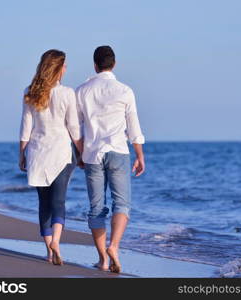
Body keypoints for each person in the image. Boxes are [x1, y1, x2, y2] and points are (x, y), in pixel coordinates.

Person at [75, 45, 145, 273]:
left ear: (95, 65)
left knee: (96, 208)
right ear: (114, 64)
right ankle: (114, 246)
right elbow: (133, 125)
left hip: (92, 153)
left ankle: (103, 259)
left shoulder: (82, 90)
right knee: (122, 203)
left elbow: (76, 127)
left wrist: (79, 153)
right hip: (118, 151)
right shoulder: (125, 90)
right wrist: (140, 155)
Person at [19, 49, 83, 266]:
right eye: (64, 66)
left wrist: (21, 154)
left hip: (37, 153)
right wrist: (82, 152)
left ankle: (48, 251)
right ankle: (56, 241)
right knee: (59, 201)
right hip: (61, 154)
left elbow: (26, 128)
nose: (66, 69)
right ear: (58, 69)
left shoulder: (30, 92)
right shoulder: (67, 93)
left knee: (44, 203)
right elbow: (74, 128)